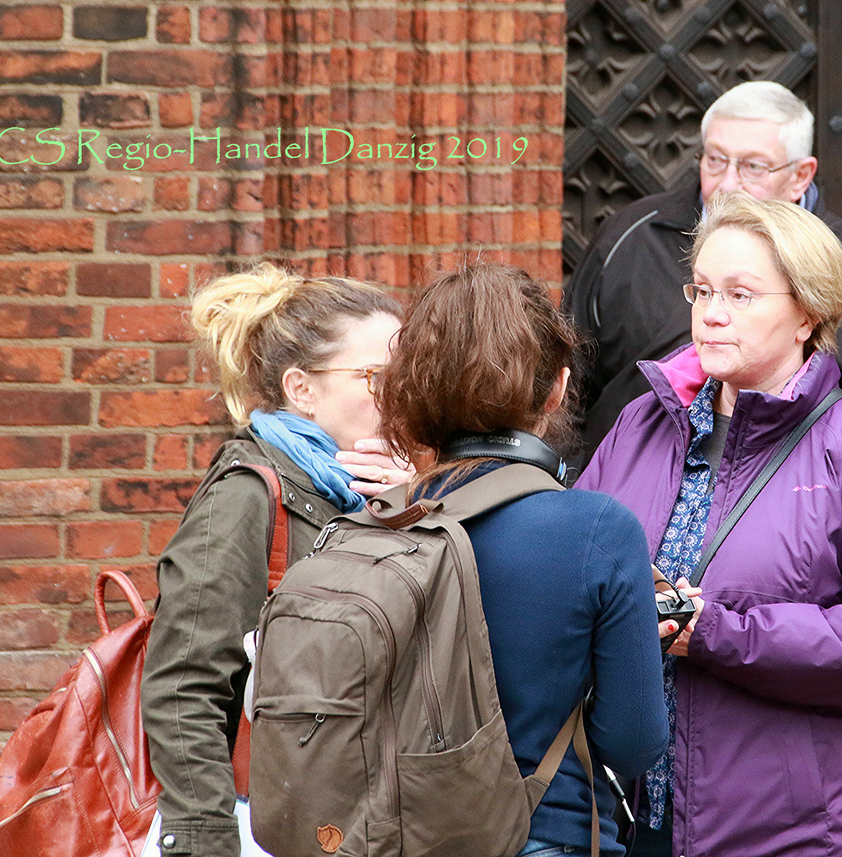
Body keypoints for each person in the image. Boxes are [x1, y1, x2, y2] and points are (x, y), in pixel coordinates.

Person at [581, 190, 842, 857]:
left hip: (800, 829)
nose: (712, 315)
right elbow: (577, 570)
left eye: (741, 295)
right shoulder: (642, 424)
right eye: (701, 292)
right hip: (632, 818)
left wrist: (719, 633)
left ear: (807, 313)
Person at [376, 262, 669, 857]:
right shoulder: (598, 530)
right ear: (558, 388)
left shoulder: (372, 522)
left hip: (388, 834)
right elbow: (633, 742)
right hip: (542, 833)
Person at [142, 264, 412, 857]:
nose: (402, 396)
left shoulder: (381, 489)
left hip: (356, 822)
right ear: (302, 389)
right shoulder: (247, 495)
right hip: (259, 824)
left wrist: (414, 509)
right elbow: (184, 685)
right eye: (376, 376)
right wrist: (205, 841)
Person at [565, 80, 842, 461]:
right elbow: (564, 383)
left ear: (801, 176)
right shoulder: (629, 238)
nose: (728, 183)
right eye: (716, 160)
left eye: (753, 166)